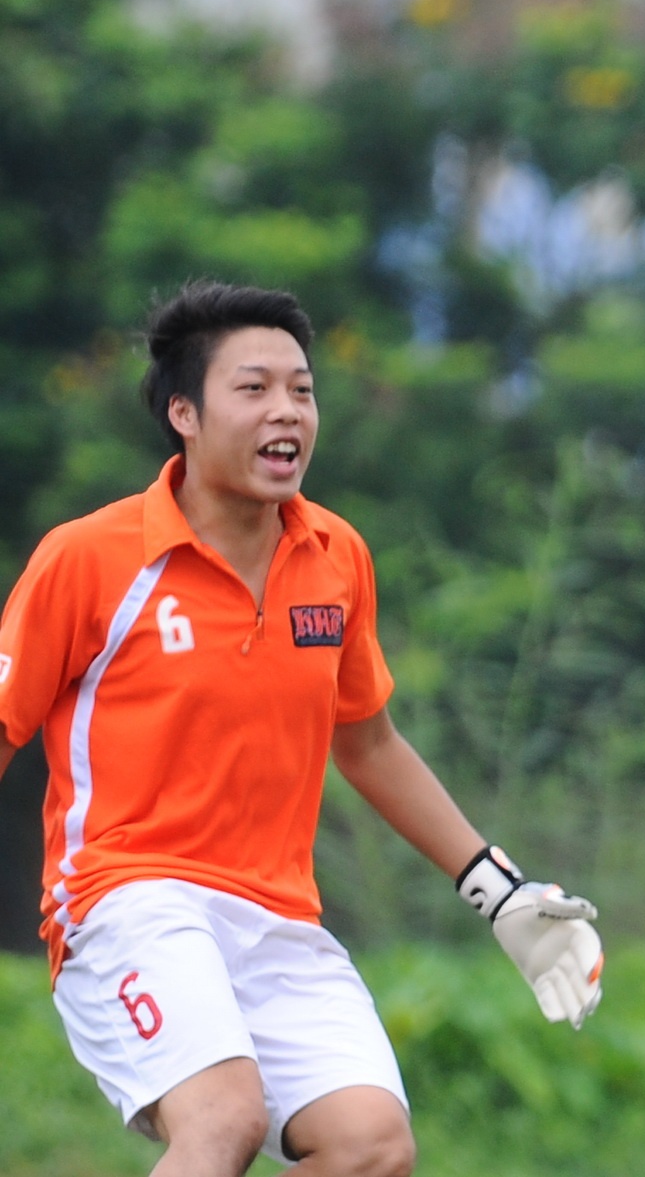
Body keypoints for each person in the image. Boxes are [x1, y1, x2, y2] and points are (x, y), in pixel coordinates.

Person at [0, 281, 605, 1177]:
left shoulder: (336, 557)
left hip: (278, 917)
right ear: (183, 413)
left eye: (302, 389)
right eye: (253, 388)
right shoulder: (89, 558)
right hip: (126, 897)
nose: (286, 410)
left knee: (371, 1147)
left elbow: (369, 743)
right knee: (223, 1119)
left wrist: (500, 890)